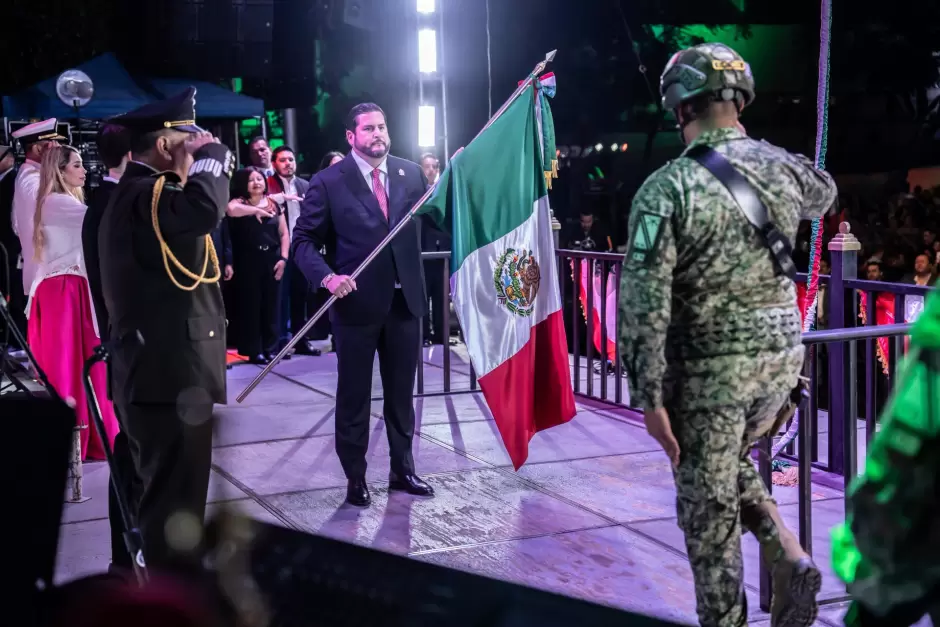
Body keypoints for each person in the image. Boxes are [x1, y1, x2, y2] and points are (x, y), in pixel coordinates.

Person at [618, 43, 838, 627]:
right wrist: (766, 153)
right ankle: (786, 549)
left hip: (710, 375)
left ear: (678, 107)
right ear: (741, 100)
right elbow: (825, 194)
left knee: (707, 511)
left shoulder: (667, 190)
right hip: (780, 370)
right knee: (725, 462)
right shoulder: (782, 167)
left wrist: (648, 395)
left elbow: (643, 301)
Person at [98, 87, 234, 574]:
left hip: (153, 373)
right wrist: (215, 158)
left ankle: (156, 592)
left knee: (159, 501)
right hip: (168, 378)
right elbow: (203, 211)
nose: (199, 144)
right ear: (164, 145)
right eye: (190, 138)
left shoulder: (132, 196)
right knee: (174, 510)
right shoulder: (148, 194)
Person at [293, 102, 432, 507]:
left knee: (402, 394)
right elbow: (303, 241)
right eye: (369, 129)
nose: (378, 135)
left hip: (405, 303)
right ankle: (355, 476)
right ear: (351, 137)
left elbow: (439, 215)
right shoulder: (328, 181)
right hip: (354, 307)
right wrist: (327, 276)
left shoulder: (409, 173)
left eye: (383, 127)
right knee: (355, 395)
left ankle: (402, 468)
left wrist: (458, 177)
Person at [27, 143, 120, 460]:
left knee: (81, 364)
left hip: (68, 288)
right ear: (60, 170)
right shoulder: (57, 203)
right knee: (68, 365)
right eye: (77, 165)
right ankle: (76, 439)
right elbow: (105, 222)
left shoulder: (58, 201)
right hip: (64, 290)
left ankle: (86, 437)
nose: (84, 170)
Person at [227, 167, 290, 364]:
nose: (257, 183)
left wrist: (284, 258)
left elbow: (284, 234)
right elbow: (231, 210)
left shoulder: (274, 205)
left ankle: (271, 348)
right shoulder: (240, 203)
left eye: (259, 179)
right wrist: (256, 210)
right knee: (251, 305)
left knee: (272, 305)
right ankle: (254, 350)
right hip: (248, 259)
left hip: (272, 258)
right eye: (251, 180)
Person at [11, 119, 65, 331]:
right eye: (54, 147)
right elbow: (51, 210)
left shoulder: (32, 176)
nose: (59, 152)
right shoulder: (31, 179)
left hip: (47, 269)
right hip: (47, 271)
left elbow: (16, 224)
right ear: (37, 149)